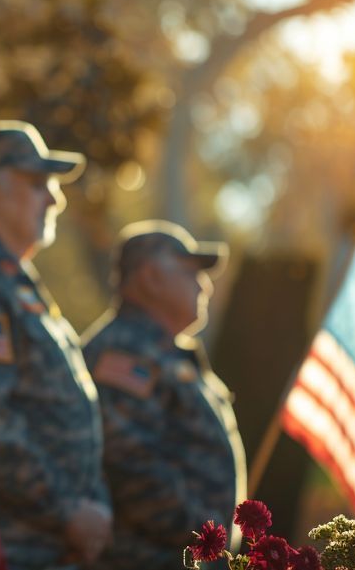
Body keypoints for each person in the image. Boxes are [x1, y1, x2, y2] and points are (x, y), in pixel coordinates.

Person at [0, 120, 111, 570]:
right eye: (37, 182)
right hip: (7, 543)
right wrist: (68, 510)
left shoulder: (10, 276)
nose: (55, 197)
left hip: (45, 541)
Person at [82, 221, 245, 570]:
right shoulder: (124, 352)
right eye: (190, 272)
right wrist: (204, 531)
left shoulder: (164, 351)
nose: (205, 286)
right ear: (150, 278)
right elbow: (130, 464)